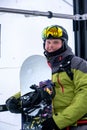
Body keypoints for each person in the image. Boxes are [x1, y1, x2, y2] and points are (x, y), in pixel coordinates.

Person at [41, 25, 87, 130]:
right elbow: (35, 87)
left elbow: (85, 96)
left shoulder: (78, 64)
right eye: (48, 42)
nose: (50, 46)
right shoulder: (44, 66)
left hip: (77, 124)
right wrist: (16, 100)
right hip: (52, 122)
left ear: (64, 44)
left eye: (55, 42)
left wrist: (59, 120)